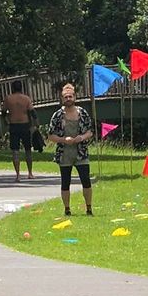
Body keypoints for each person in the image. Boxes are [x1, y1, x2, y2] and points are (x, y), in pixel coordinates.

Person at [45, 83, 95, 217]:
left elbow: (90, 131)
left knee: (86, 180)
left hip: (81, 152)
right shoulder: (57, 115)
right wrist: (63, 140)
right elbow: (50, 135)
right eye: (65, 97)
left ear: (75, 97)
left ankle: (89, 208)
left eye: (70, 96)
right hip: (64, 153)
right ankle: (67, 209)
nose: (68, 98)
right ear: (62, 99)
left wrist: (81, 137)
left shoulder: (82, 113)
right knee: (65, 182)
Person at [3, 79, 36, 181]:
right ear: (21, 88)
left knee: (15, 151)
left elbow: (3, 113)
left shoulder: (8, 99)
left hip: (14, 125)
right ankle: (30, 173)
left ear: (12, 88)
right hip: (25, 125)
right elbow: (32, 112)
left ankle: (18, 175)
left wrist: (6, 122)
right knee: (28, 150)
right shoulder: (26, 99)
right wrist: (35, 125)